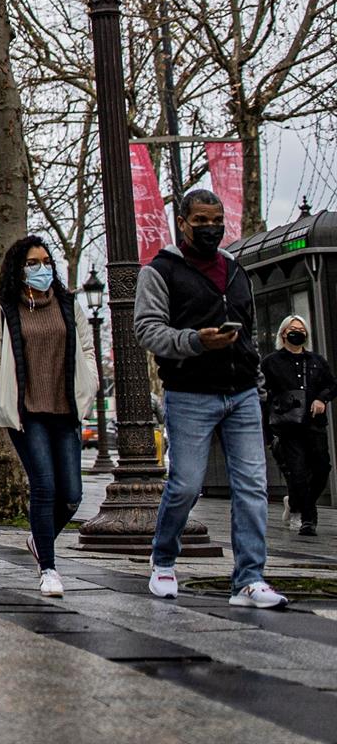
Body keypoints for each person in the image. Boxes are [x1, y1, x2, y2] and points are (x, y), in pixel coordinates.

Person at [135, 189, 286, 606]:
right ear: (181, 223)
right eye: (200, 220)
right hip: (190, 394)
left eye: (215, 220)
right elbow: (147, 331)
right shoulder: (160, 271)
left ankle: (249, 579)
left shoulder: (236, 270)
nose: (209, 228)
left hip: (240, 394)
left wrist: (255, 381)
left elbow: (251, 332)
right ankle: (163, 560)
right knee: (185, 485)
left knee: (253, 488)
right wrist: (196, 342)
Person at [0, 236, 98, 597]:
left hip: (65, 410)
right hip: (27, 412)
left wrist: (89, 384)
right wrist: (2, 396)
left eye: (46, 261)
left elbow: (87, 348)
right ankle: (48, 568)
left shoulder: (68, 305)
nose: (41, 268)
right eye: (33, 263)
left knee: (73, 495)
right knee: (45, 487)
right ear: (19, 268)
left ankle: (39, 538)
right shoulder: (4, 309)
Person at [263, 315, 335, 536]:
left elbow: (332, 384)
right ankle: (308, 519)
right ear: (284, 333)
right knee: (298, 472)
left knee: (322, 468)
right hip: (288, 427)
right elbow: (262, 395)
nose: (298, 332)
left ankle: (295, 501)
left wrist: (321, 398)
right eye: (293, 329)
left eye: (301, 329)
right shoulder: (271, 362)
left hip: (314, 425)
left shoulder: (316, 361)